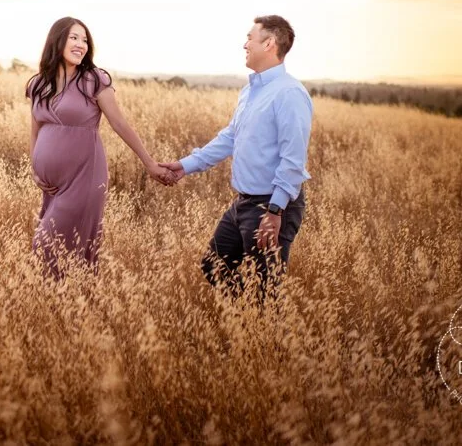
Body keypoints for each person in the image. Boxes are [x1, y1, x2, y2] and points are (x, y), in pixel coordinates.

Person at [160, 15, 312, 301]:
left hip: (270, 206)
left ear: (269, 43)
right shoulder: (251, 91)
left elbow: (293, 160)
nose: (245, 44)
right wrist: (184, 166)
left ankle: (265, 337)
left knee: (264, 291)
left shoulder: (290, 93)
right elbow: (231, 137)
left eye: (250, 38)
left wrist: (275, 211)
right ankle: (246, 325)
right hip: (243, 203)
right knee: (214, 267)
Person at [27, 17, 174, 278]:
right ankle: (66, 309)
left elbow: (120, 123)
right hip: (52, 185)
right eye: (74, 37)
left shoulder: (94, 80)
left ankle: (72, 304)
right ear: (57, 40)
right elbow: (36, 128)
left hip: (84, 177)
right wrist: (34, 168)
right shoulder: (39, 83)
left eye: (84, 40)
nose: (80, 44)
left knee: (45, 245)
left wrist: (149, 163)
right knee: (61, 253)